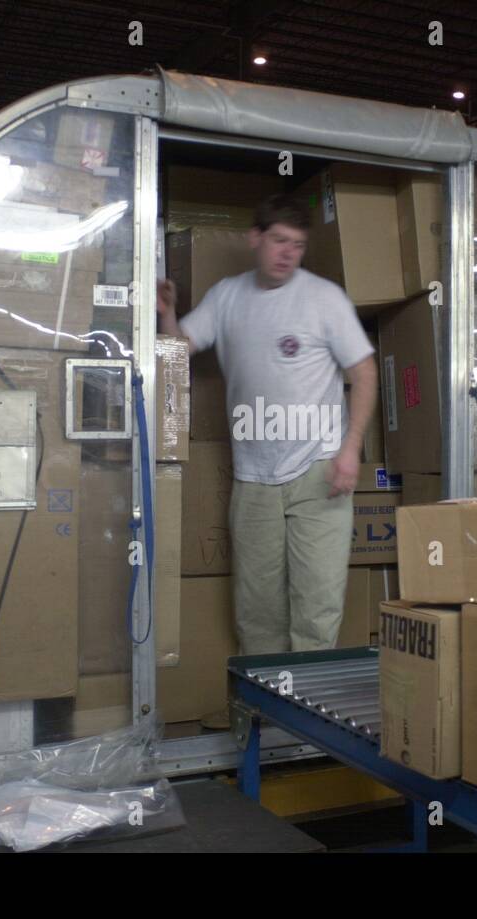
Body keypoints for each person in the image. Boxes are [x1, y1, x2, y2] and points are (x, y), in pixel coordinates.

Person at [157, 193, 378, 728]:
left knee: (316, 606)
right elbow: (181, 348)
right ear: (256, 239)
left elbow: (365, 372)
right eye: (279, 241)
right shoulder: (228, 297)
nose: (287, 255)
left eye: (298, 246)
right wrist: (166, 314)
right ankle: (260, 722)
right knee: (256, 611)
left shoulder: (324, 299)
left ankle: (311, 727)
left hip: (319, 471)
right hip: (253, 477)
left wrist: (350, 450)